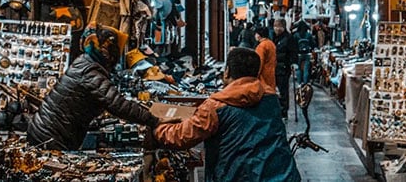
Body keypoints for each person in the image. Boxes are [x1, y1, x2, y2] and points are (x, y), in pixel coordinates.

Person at [152, 47, 301, 182]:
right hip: (283, 176)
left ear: (227, 71)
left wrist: (157, 128)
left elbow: (182, 136)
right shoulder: (270, 98)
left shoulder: (216, 106)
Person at [27, 22, 161, 150]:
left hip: (47, 132)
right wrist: (154, 120)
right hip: (49, 136)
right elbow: (118, 105)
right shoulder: (90, 72)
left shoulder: (86, 63)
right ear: (109, 50)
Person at [273, 19, 297, 119]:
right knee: (276, 90)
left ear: (283, 27)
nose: (276, 28)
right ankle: (278, 110)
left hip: (284, 67)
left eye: (278, 26)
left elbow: (293, 52)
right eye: (275, 26)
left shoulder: (289, 38)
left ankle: (284, 111)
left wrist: (293, 63)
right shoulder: (275, 38)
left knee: (283, 90)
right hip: (276, 67)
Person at [254, 26, 277, 93]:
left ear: (259, 35)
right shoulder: (271, 44)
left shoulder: (261, 46)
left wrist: (256, 75)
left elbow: (259, 62)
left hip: (263, 76)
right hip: (271, 73)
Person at [293, 20, 315, 85]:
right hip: (307, 54)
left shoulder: (296, 35)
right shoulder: (308, 35)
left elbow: (293, 45)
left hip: (299, 54)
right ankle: (305, 83)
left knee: (298, 68)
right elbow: (313, 44)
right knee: (306, 69)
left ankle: (299, 83)